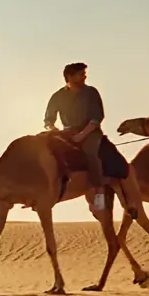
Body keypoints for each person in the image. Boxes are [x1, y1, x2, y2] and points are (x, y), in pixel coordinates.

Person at [43, 62, 110, 212]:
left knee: (91, 153)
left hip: (90, 132)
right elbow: (48, 120)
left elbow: (97, 117)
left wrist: (82, 135)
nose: (84, 77)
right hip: (67, 133)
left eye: (84, 74)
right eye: (81, 74)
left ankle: (99, 192)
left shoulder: (91, 92)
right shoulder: (58, 96)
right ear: (70, 76)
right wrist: (54, 131)